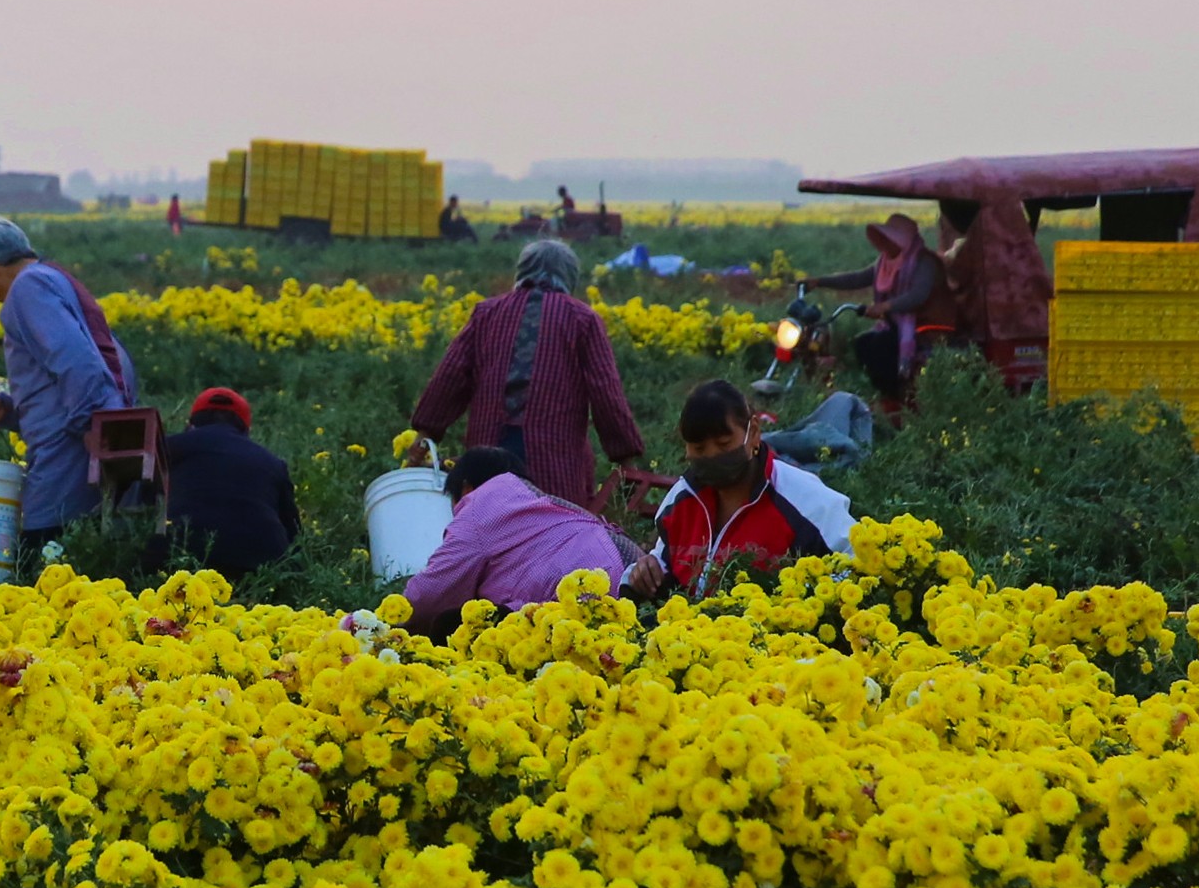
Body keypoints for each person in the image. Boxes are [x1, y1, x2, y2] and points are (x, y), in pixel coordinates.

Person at [407, 237, 645, 506]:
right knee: (552, 532)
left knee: (486, 526)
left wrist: (425, 434)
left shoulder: (487, 313)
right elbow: (606, 393)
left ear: (522, 271)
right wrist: (626, 458)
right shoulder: (582, 320)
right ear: (569, 275)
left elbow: (450, 377)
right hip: (553, 461)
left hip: (488, 454)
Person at [0, 218, 139, 555]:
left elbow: (76, 360)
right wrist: (10, 407)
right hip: (81, 455)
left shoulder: (26, 290)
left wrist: (92, 424)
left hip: (63, 465)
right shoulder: (52, 279)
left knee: (38, 571)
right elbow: (101, 363)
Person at [629, 378, 850, 599]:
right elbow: (665, 561)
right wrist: (647, 569)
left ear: (753, 432)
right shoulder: (681, 500)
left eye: (724, 443)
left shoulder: (804, 501)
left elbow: (856, 567)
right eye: (699, 448)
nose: (712, 455)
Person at [402, 446, 638, 623]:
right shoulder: (534, 505)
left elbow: (432, 592)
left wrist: (386, 623)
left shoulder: (481, 503)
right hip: (629, 572)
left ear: (466, 488)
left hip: (584, 591)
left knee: (450, 625)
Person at [159, 387, 299, 579]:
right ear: (246, 430)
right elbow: (295, 534)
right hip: (259, 564)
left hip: (181, 557)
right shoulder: (273, 463)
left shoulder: (168, 447)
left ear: (190, 425)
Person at [806, 213, 947, 395]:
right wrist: (820, 282)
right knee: (863, 344)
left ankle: (898, 394)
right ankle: (888, 395)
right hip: (895, 324)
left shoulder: (924, 262)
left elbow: (917, 295)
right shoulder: (885, 262)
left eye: (891, 238)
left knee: (882, 346)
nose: (886, 242)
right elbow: (859, 278)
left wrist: (885, 307)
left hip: (924, 326)